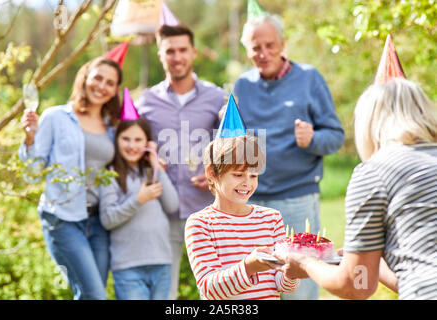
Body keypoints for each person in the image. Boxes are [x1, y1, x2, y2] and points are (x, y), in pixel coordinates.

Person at [273, 78, 437, 300]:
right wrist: (370, 262)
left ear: (370, 123)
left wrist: (303, 262)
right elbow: (422, 271)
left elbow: (356, 285)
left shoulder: (376, 170)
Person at [233, 13, 345, 299]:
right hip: (252, 203)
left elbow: (335, 137)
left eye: (270, 45)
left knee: (300, 289)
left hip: (297, 200)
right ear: (247, 50)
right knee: (257, 289)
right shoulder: (242, 86)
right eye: (256, 47)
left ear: (282, 44)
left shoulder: (309, 78)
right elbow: (236, 145)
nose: (263, 53)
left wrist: (312, 139)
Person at [19, 57, 123, 299]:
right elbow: (32, 173)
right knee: (95, 295)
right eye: (97, 78)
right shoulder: (55, 117)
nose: (101, 86)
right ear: (84, 77)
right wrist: (30, 139)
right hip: (62, 218)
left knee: (90, 295)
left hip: (99, 221)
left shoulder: (113, 127)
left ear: (115, 89)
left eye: (110, 82)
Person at [135, 24, 225, 299]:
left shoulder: (218, 97)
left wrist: (215, 173)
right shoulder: (146, 101)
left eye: (183, 50)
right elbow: (128, 144)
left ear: (194, 52)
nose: (177, 57)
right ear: (160, 55)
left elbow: (232, 146)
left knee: (218, 289)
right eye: (170, 51)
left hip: (209, 211)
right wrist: (146, 157)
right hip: (163, 212)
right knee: (165, 293)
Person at [184, 135, 299, 300]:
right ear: (212, 174)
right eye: (238, 175)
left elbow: (282, 286)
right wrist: (249, 267)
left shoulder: (271, 219)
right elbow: (210, 289)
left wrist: (292, 271)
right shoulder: (201, 224)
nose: (247, 183)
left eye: (253, 176)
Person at [99, 118, 179, 300]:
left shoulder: (152, 172)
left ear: (147, 142)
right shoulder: (110, 174)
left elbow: (172, 204)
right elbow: (107, 220)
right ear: (116, 139)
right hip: (128, 266)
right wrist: (138, 200)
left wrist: (156, 165)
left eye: (138, 140)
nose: (132, 145)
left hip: (161, 261)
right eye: (126, 139)